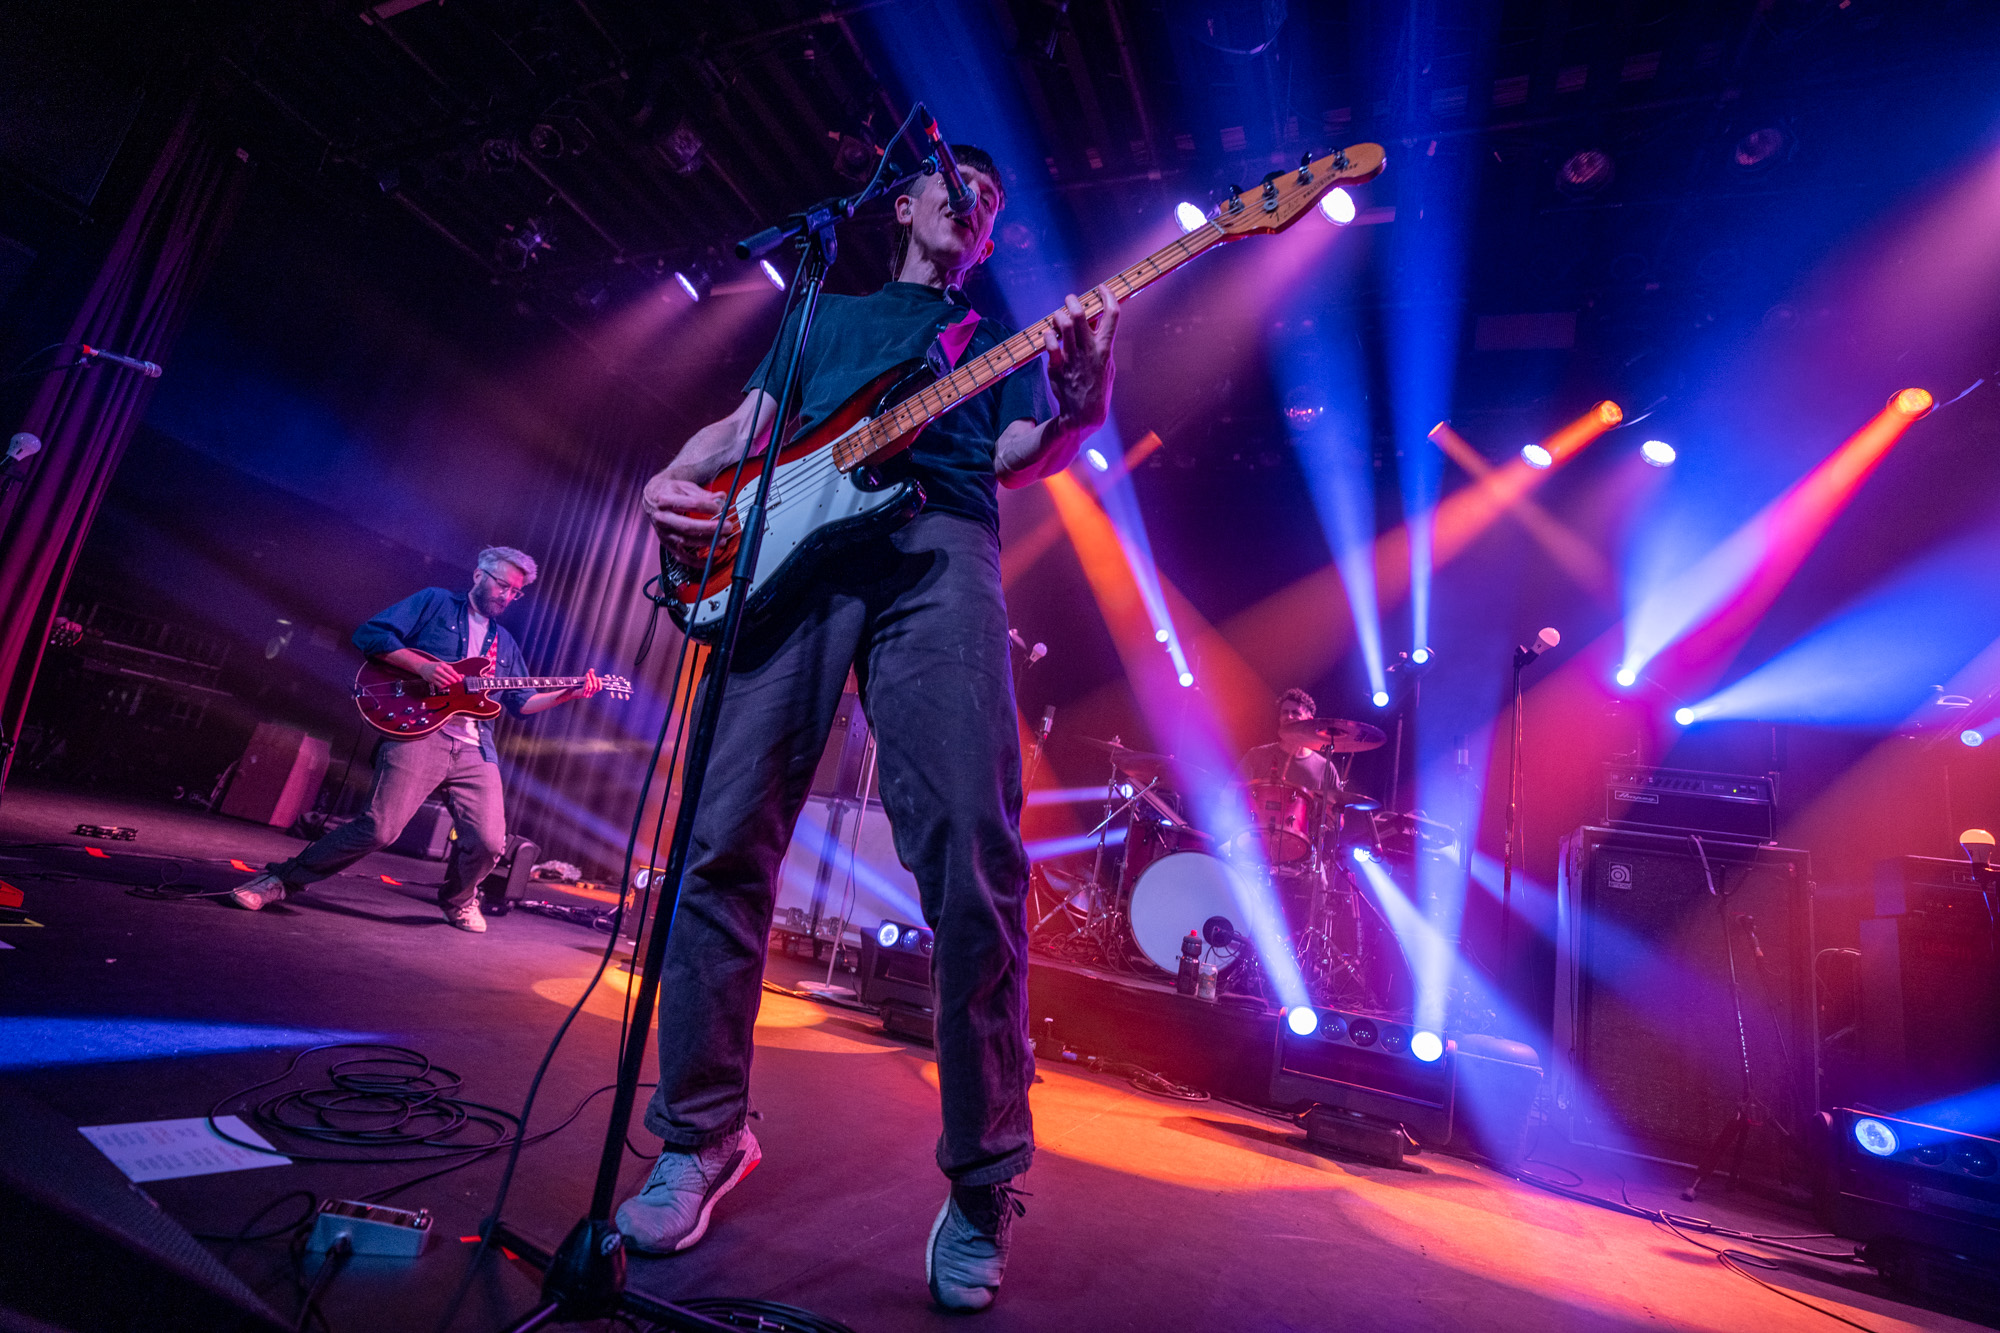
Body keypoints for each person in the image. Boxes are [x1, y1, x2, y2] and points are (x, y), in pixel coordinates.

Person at [624, 145, 1118, 1312]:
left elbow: (1019, 452)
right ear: (903, 203)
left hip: (936, 546)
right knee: (720, 841)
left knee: (969, 856)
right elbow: (745, 425)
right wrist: (668, 480)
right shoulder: (821, 313)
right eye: (957, 182)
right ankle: (699, 1134)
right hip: (788, 553)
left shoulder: (987, 337)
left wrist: (1088, 396)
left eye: (992, 198)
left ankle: (985, 1174)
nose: (974, 201)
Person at [228, 547, 602, 932]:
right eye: (502, 586)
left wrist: (569, 693)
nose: (506, 596)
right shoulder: (435, 601)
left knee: (490, 843)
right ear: (478, 575)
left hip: (475, 748)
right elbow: (370, 634)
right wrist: (424, 666)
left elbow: (521, 703)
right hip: (420, 733)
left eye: (515, 592)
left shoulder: (503, 641)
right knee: (379, 829)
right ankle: (280, 880)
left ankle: (457, 901)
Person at [1238, 687, 1342, 795]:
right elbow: (1229, 793)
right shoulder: (1256, 756)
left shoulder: (1324, 768)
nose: (1289, 716)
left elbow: (1336, 807)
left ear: (1309, 720)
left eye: (1296, 713)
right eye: (1284, 712)